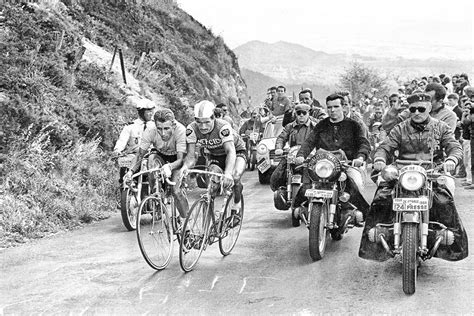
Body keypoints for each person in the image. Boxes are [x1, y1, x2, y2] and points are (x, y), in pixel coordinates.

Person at [360, 92, 468, 262]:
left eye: (421, 109)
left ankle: (448, 235)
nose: (417, 112)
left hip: (433, 171)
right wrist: (380, 159)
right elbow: (385, 147)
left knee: (446, 194)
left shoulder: (440, 127)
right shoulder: (400, 128)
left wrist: (451, 160)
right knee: (382, 196)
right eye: (413, 109)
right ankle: (379, 234)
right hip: (402, 172)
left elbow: (454, 146)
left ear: (429, 108)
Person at [293, 93, 371, 224]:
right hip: (322, 165)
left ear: (343, 107)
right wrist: (301, 155)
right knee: (306, 184)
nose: (332, 110)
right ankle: (300, 209)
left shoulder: (353, 125)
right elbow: (309, 142)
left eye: (336, 106)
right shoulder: (321, 125)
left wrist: (360, 157)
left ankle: (361, 213)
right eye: (329, 107)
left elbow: (364, 143)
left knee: (354, 183)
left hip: (346, 165)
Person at [180, 100, 247, 212]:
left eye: (206, 122)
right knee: (212, 185)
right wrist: (184, 168)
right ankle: (211, 223)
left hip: (236, 151)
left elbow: (230, 151)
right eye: (199, 122)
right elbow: (191, 157)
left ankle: (237, 204)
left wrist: (227, 173)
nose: (203, 126)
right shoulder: (191, 129)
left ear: (213, 118)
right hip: (215, 155)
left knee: (235, 177)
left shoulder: (222, 126)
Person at [123, 108, 188, 218]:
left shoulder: (181, 130)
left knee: (176, 191)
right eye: (159, 129)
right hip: (160, 154)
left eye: (166, 128)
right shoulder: (150, 130)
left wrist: (170, 167)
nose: (163, 133)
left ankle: (187, 222)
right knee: (151, 159)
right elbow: (140, 155)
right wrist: (130, 172)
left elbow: (181, 159)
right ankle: (157, 197)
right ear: (155, 125)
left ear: (173, 124)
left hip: (177, 158)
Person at [270, 103, 318, 197]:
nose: (301, 115)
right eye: (298, 113)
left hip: (310, 156)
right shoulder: (289, 127)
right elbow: (281, 138)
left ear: (308, 114)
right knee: (278, 173)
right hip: (293, 155)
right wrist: (279, 148)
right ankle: (281, 190)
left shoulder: (315, 126)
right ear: (295, 114)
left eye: (304, 113)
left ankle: (316, 192)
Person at [382, 83, 457, 134]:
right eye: (424, 98)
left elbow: (444, 138)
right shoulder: (413, 110)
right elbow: (388, 127)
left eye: (429, 100)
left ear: (440, 101)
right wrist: (394, 111)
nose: (425, 102)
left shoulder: (449, 116)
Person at [113, 99, 155, 187]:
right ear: (141, 112)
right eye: (148, 111)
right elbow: (122, 140)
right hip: (133, 155)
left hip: (150, 156)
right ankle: (125, 190)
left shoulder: (155, 126)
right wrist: (118, 150)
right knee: (124, 165)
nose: (151, 114)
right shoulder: (131, 126)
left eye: (152, 111)